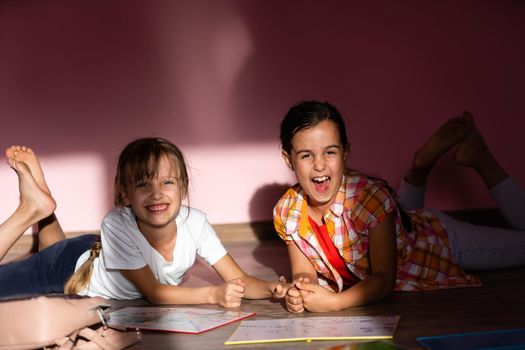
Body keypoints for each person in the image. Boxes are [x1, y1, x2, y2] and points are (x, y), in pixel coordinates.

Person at [273, 100, 525, 313]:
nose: (319, 165)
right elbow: (303, 271)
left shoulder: (369, 198)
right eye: (306, 155)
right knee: (400, 217)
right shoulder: (288, 211)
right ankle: (420, 166)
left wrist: (336, 302)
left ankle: (481, 157)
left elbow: (384, 279)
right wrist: (301, 289)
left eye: (330, 152)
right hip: (402, 228)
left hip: (438, 243)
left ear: (346, 153)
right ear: (288, 159)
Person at [1, 139, 288, 306]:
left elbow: (240, 280)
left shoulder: (196, 223)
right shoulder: (117, 224)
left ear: (183, 188)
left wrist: (274, 288)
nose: (157, 194)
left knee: (57, 248)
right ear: (125, 193)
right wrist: (213, 294)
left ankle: (43, 203)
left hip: (91, 252)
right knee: (52, 255)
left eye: (167, 182)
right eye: (143, 185)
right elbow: (154, 293)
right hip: (66, 268)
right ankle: (29, 211)